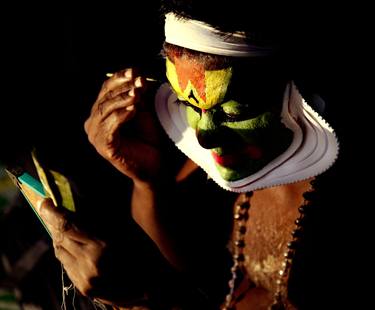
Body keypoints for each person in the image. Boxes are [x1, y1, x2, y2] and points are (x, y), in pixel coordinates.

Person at [33, 1, 342, 309]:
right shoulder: (234, 157)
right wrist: (148, 182)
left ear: (298, 92)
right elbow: (188, 263)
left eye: (235, 112)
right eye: (189, 105)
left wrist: (150, 298)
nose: (205, 137)